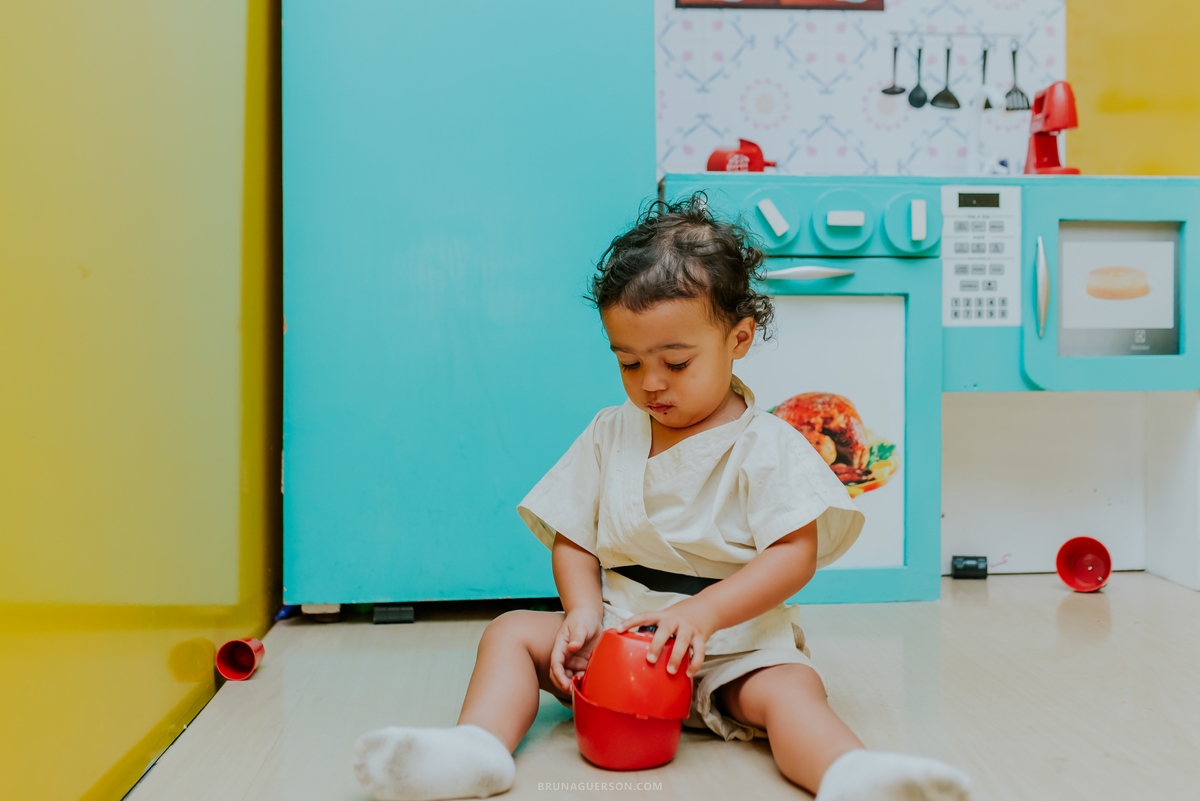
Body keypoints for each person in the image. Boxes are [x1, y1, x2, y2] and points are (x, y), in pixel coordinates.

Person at [353, 195, 972, 801]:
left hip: (733, 642)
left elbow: (793, 554)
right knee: (510, 633)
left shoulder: (767, 445)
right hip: (620, 632)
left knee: (789, 691)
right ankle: (478, 749)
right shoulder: (609, 431)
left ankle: (849, 773)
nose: (650, 384)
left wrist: (703, 617)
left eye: (676, 362)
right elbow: (573, 534)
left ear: (739, 340)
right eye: (628, 363)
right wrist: (584, 611)